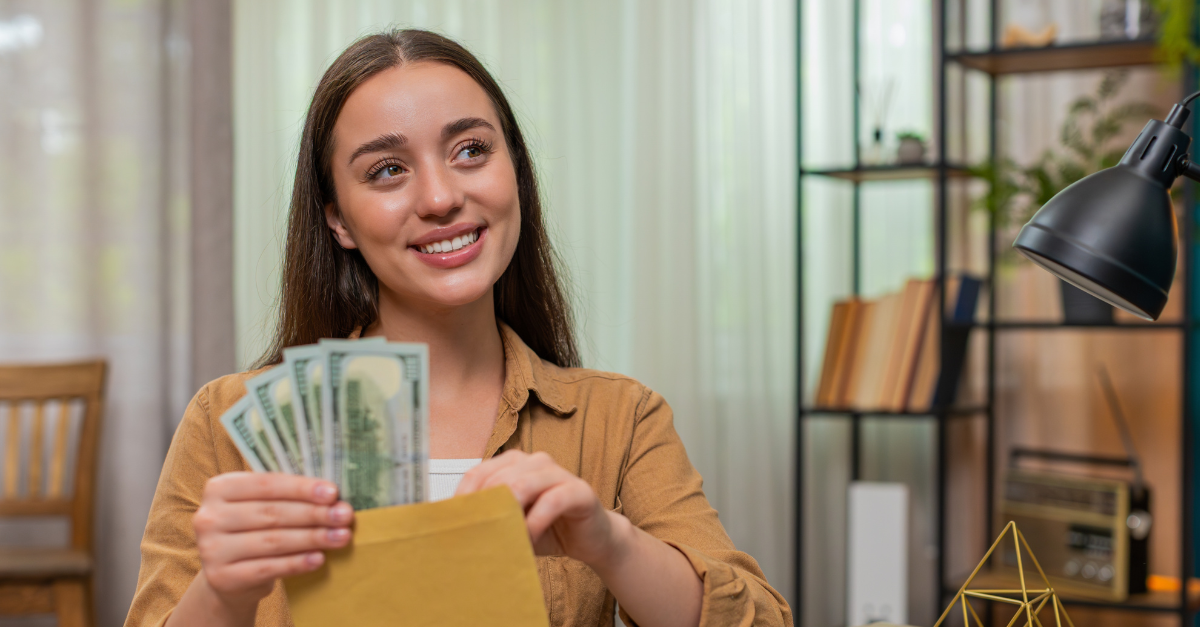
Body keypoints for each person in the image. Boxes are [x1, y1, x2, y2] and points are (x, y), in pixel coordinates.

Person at [124, 29, 791, 627]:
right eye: (387, 170)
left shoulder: (619, 418)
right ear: (340, 221)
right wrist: (223, 593)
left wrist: (609, 542)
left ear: (516, 177)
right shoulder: (226, 420)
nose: (441, 197)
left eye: (471, 149)